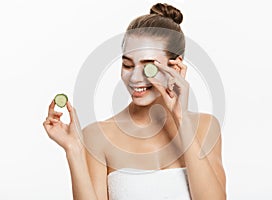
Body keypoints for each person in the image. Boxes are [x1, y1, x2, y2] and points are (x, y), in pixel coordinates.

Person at [43, 3, 226, 200]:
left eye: (149, 68)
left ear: (176, 66)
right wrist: (74, 151)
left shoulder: (206, 127)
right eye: (127, 65)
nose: (135, 78)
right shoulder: (98, 136)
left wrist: (181, 119)